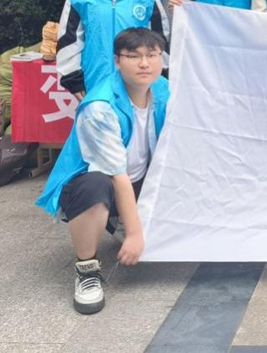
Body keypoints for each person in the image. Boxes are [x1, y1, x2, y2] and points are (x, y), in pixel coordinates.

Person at [37, 28, 171, 315]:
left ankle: (122, 219)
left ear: (162, 59)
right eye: (133, 56)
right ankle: (86, 269)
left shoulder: (161, 89)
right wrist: (135, 234)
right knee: (95, 186)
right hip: (97, 184)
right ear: (117, 61)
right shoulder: (100, 106)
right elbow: (117, 174)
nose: (144, 63)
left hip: (138, 179)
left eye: (152, 55)